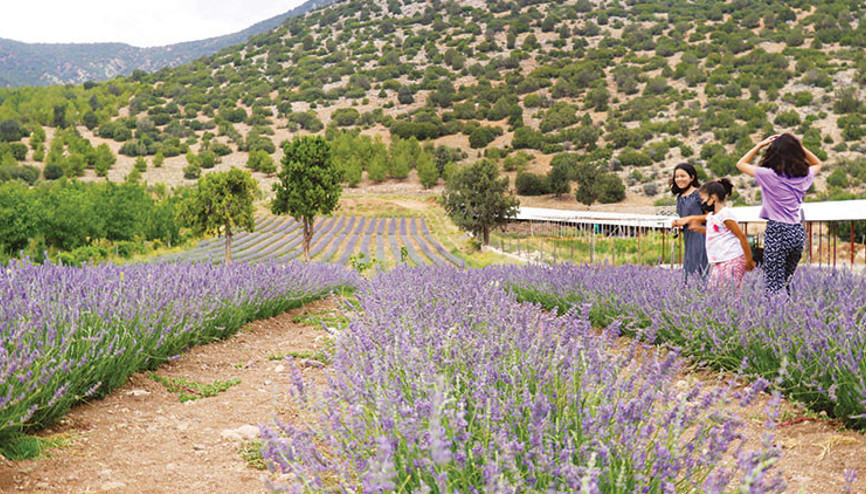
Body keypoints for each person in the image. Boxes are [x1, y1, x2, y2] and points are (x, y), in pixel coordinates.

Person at [735, 133, 822, 294]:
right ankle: (787, 314)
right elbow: (818, 163)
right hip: (796, 231)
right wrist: (799, 146)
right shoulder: (804, 176)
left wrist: (760, 145)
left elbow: (741, 164)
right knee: (785, 282)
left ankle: (775, 316)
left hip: (777, 230)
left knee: (773, 283)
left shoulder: (768, 175)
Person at [692, 179, 756, 289]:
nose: (702, 203)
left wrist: (749, 260)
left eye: (703, 200)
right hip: (719, 260)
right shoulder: (712, 216)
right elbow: (716, 233)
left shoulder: (725, 215)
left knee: (728, 293)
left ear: (713, 198)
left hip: (732, 258)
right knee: (714, 292)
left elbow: (741, 237)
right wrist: (697, 227)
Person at [669, 163, 708, 278]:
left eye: (683, 176)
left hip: (701, 236)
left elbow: (710, 216)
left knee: (699, 268)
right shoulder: (680, 197)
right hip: (688, 236)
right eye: (676, 177)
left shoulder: (699, 194)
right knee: (689, 268)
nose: (679, 179)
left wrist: (688, 219)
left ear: (692, 177)